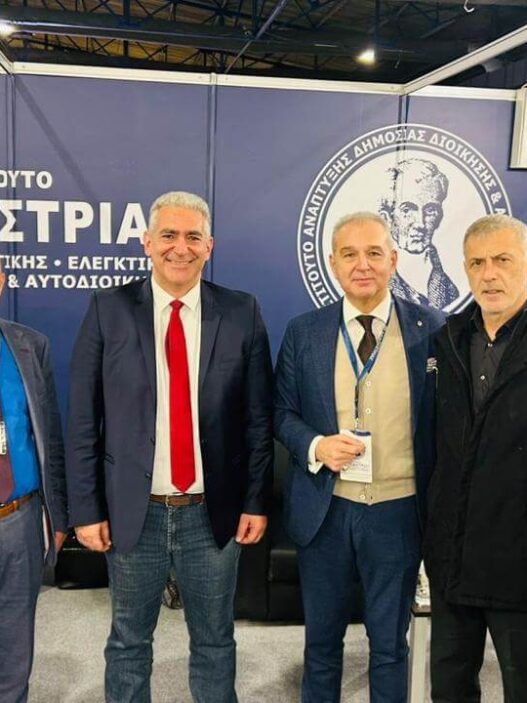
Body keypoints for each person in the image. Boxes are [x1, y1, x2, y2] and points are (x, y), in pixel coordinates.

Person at [66, 191, 273, 703]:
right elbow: (83, 419)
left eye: (193, 237)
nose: (180, 247)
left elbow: (257, 419)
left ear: (209, 247)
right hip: (135, 512)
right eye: (169, 235)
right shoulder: (108, 310)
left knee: (215, 641)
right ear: (147, 243)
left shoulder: (241, 311)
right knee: (129, 642)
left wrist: (254, 500)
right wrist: (86, 510)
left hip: (211, 512)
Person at [274, 212, 443, 703]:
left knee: (389, 645)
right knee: (321, 645)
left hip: (398, 512)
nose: (362, 265)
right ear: (333, 262)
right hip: (325, 510)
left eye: (374, 253)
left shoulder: (431, 329)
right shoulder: (304, 331)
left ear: (394, 259)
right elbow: (281, 413)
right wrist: (316, 446)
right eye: (349, 254)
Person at [424, 213, 527, 702]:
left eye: (503, 260)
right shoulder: (447, 340)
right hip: (452, 555)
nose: (490, 274)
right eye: (477, 263)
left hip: (518, 559)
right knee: (449, 687)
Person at [0, 267, 67, 702]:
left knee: (14, 644)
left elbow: (49, 435)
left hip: (18, 520)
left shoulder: (29, 345)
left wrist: (57, 514)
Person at [378, 158, 458, 309]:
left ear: (439, 218)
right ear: (386, 218)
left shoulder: (451, 292)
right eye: (407, 210)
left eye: (430, 210)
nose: (420, 224)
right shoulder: (371, 285)